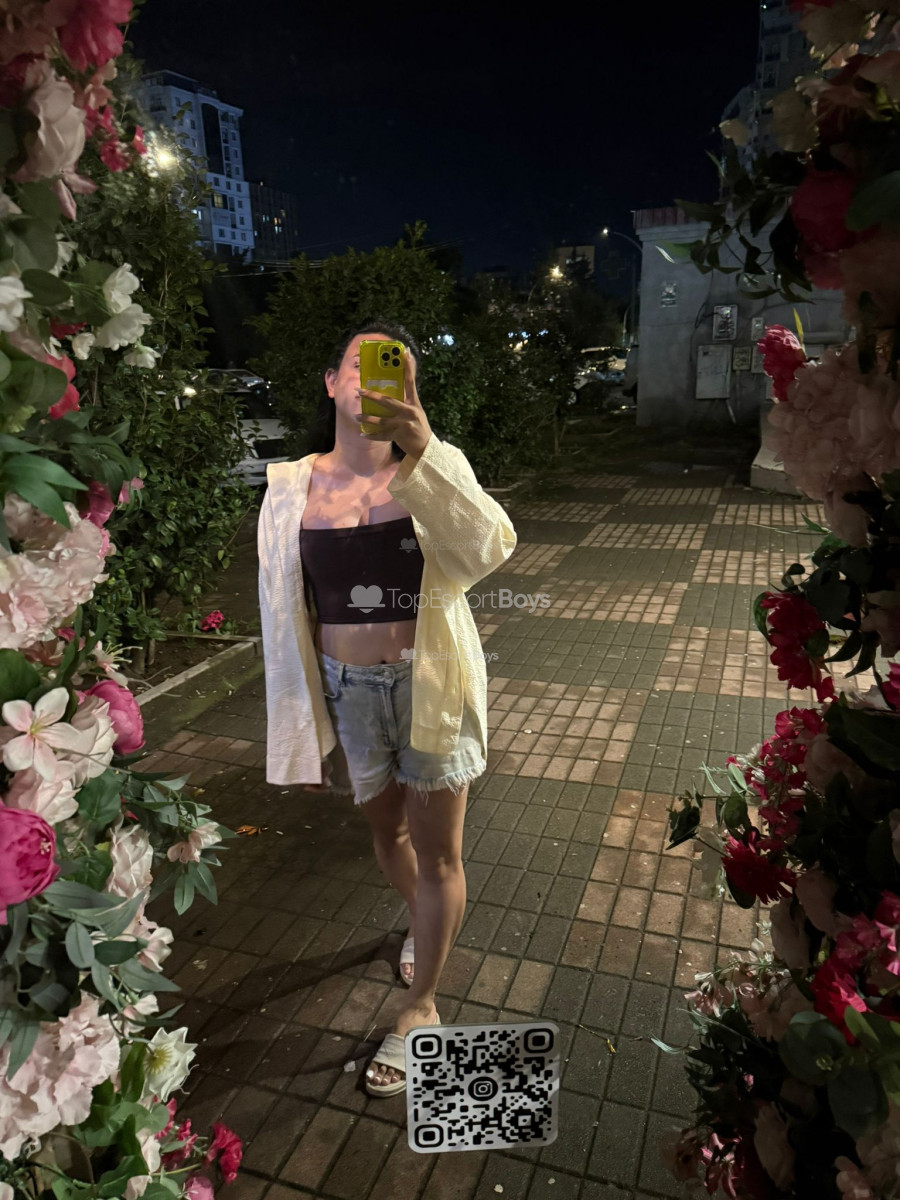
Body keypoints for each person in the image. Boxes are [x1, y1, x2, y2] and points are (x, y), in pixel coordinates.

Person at [257, 321, 517, 1096]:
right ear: (331, 381)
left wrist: (425, 447)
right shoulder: (290, 488)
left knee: (441, 858)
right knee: (389, 834)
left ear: (410, 386)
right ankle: (428, 922)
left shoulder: (431, 467)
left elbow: (488, 549)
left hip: (432, 683)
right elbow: (280, 615)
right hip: (349, 691)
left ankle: (421, 1003)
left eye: (391, 368)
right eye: (358, 365)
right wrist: (299, 735)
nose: (370, 381)